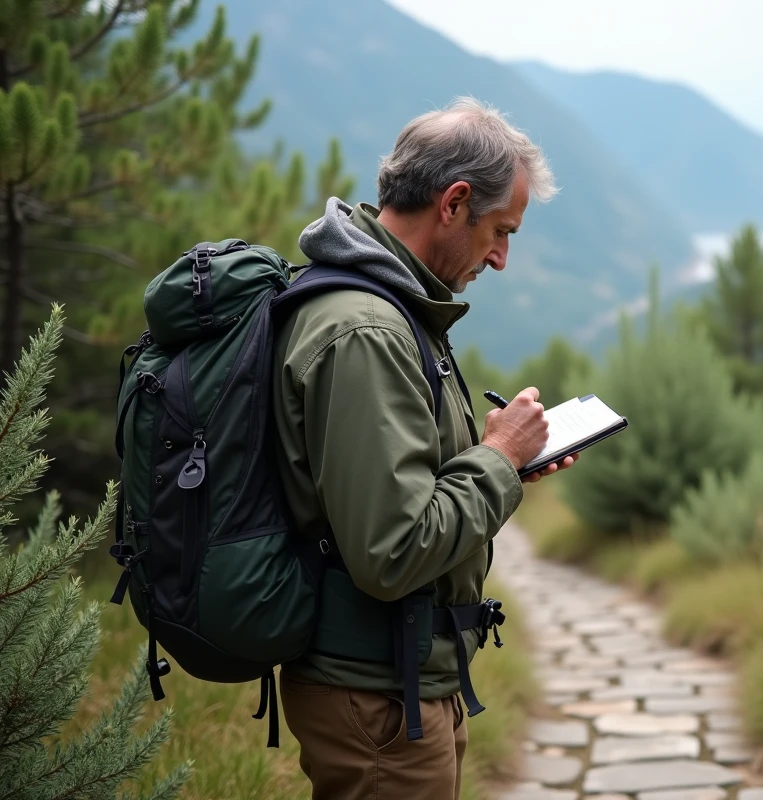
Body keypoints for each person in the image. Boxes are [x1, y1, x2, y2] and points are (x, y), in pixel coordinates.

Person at [270, 96, 571, 799]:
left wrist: (507, 462)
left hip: (397, 685)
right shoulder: (368, 331)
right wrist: (497, 458)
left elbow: (404, 491)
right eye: (501, 231)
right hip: (377, 701)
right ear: (454, 202)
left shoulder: (394, 310)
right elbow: (393, 548)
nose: (500, 258)